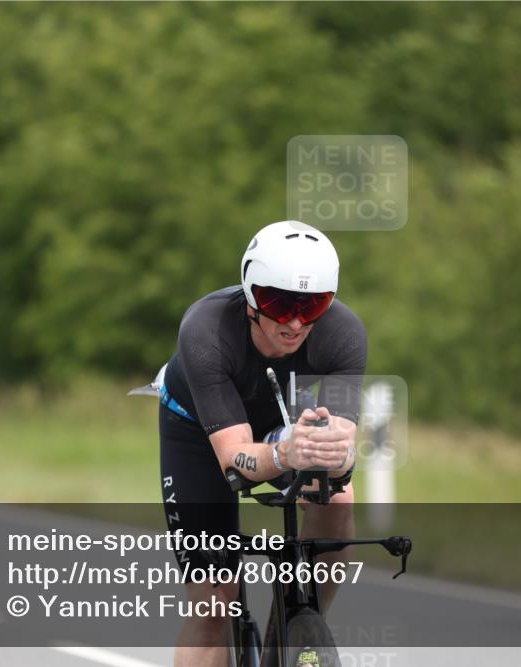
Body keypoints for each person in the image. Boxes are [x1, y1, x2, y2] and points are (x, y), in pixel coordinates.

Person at [158, 220, 365, 667]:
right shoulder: (206, 329)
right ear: (252, 297)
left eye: (312, 307)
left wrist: (334, 458)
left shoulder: (343, 332)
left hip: (284, 419)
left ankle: (301, 626)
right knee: (215, 600)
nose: (294, 322)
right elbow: (234, 460)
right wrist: (284, 454)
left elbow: (344, 439)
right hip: (199, 429)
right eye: (279, 303)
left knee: (340, 496)